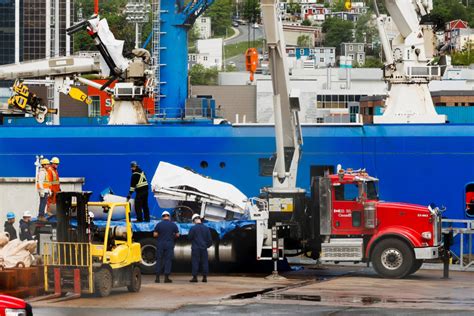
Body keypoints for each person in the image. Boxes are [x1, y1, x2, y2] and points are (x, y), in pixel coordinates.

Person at [153, 211, 179, 283]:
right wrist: (172, 236)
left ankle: (157, 278)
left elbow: (155, 235)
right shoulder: (173, 225)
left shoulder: (159, 225)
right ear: (169, 217)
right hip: (169, 244)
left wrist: (160, 235)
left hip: (160, 244)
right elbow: (177, 235)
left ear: (162, 217)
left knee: (159, 259)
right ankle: (166, 278)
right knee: (168, 260)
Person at [188, 214, 212, 283]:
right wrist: (207, 246)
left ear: (194, 220)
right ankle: (204, 278)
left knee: (195, 262)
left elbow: (189, 238)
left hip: (195, 248)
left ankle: (195, 278)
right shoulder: (206, 228)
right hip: (203, 248)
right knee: (204, 262)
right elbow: (210, 240)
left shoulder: (193, 228)